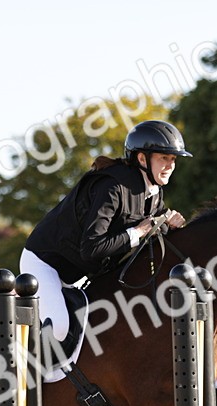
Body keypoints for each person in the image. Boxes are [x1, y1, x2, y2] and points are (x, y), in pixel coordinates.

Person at [22, 120, 192, 343]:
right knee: (60, 329)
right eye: (163, 158)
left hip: (80, 274)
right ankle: (18, 371)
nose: (170, 165)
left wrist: (169, 225)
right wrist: (138, 232)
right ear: (142, 158)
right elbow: (92, 247)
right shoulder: (113, 188)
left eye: (173, 159)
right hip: (45, 264)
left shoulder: (154, 192)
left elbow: (152, 233)